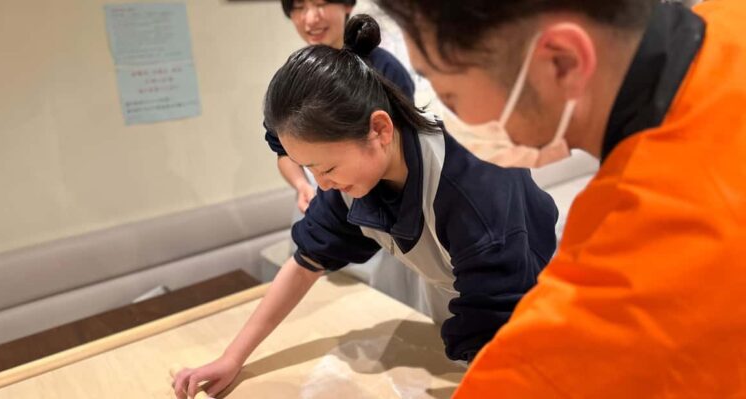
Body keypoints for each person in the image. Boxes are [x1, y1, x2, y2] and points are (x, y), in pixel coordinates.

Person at [173, 15, 558, 399]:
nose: (321, 183)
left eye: (326, 168)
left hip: (539, 321)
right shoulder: (356, 176)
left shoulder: (473, 175)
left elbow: (498, 319)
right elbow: (307, 262)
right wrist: (232, 357)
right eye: (309, 169)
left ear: (379, 129)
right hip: (464, 321)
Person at [374, 0, 746, 396]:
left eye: (449, 94)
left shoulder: (642, 258)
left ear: (561, 63)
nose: (445, 117)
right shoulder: (729, 17)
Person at [267, 0, 414, 214]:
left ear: (346, 5)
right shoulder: (294, 81)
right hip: (317, 209)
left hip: (376, 209)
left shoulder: (383, 69)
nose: (310, 18)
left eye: (320, 3)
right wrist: (302, 186)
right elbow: (282, 150)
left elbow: (403, 148)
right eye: (299, 7)